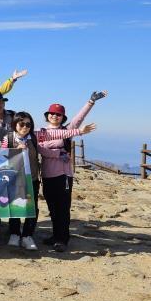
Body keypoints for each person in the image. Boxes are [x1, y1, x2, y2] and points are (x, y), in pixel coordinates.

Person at [2, 112, 96, 251]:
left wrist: (79, 132)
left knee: (32, 208)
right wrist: (15, 150)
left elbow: (57, 135)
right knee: (15, 207)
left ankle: (28, 235)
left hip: (32, 179)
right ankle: (15, 234)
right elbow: (1, 158)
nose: (25, 127)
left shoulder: (34, 138)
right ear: (15, 124)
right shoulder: (8, 138)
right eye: (21, 124)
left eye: (28, 124)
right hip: (14, 179)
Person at [40, 91, 107, 252]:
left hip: (63, 176)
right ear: (47, 115)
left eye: (58, 114)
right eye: (52, 113)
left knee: (63, 209)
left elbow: (79, 118)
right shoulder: (41, 132)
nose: (55, 116)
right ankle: (55, 236)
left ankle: (62, 239)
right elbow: (41, 150)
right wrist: (58, 149)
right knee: (52, 209)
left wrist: (91, 102)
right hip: (47, 175)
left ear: (63, 117)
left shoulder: (68, 129)